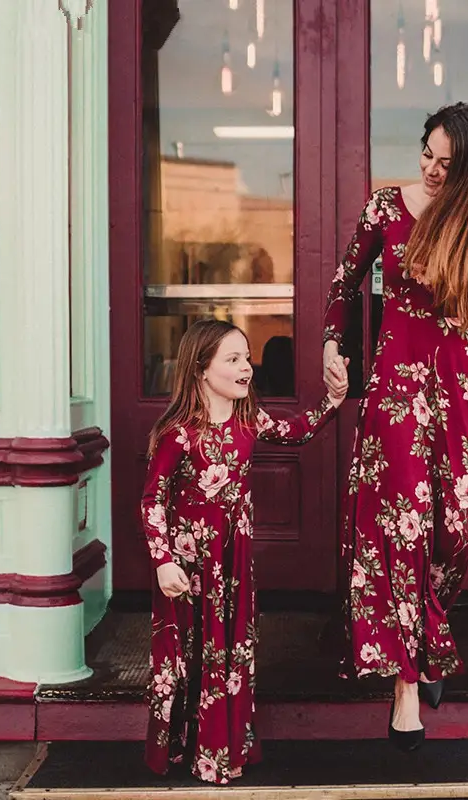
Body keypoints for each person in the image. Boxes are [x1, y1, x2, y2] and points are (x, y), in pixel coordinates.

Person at [322, 102, 468, 752]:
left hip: (464, 391)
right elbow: (344, 286)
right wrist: (330, 349)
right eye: (425, 153)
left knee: (454, 531)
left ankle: (427, 631)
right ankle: (405, 686)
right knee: (400, 530)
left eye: (445, 164)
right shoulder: (385, 209)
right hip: (397, 391)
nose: (429, 169)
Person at [142, 319, 346, 783]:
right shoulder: (178, 434)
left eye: (247, 357)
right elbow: (151, 498)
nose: (246, 368)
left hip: (232, 562)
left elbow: (296, 432)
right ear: (201, 369)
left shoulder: (248, 421)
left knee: (229, 651)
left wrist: (333, 400)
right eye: (232, 359)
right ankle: (179, 752)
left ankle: (221, 751)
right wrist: (163, 560)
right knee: (186, 656)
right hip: (187, 564)